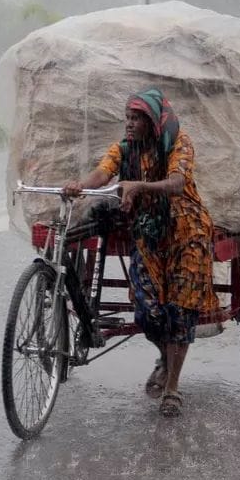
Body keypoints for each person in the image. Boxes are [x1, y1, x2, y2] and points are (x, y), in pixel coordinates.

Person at [62, 88, 219, 418]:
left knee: (179, 311)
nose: (130, 124)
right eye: (128, 118)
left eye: (136, 119)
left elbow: (176, 183)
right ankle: (165, 355)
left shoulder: (179, 143)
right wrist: (80, 186)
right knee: (147, 311)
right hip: (149, 233)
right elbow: (103, 173)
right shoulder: (123, 148)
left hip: (187, 234)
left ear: (152, 122)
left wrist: (139, 187)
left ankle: (173, 387)